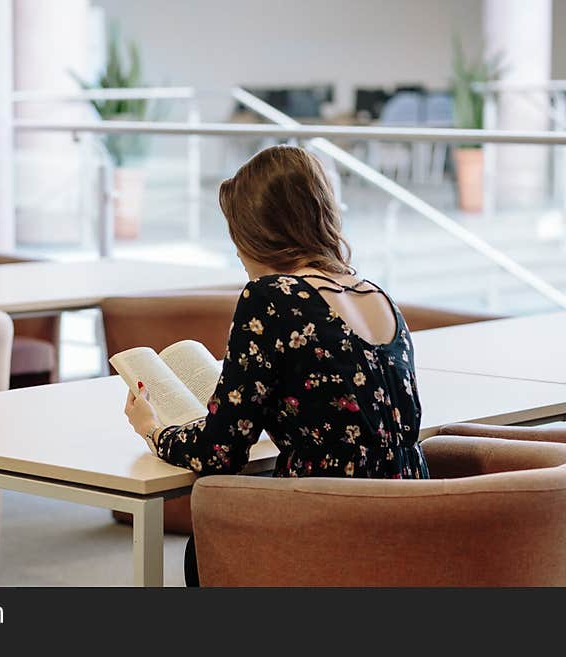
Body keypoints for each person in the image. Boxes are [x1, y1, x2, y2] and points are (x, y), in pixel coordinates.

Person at [124, 145, 428, 586]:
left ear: (259, 232)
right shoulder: (377, 295)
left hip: (332, 521)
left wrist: (153, 429)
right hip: (415, 518)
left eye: (237, 238)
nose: (237, 254)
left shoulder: (270, 296)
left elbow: (220, 452)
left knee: (204, 542)